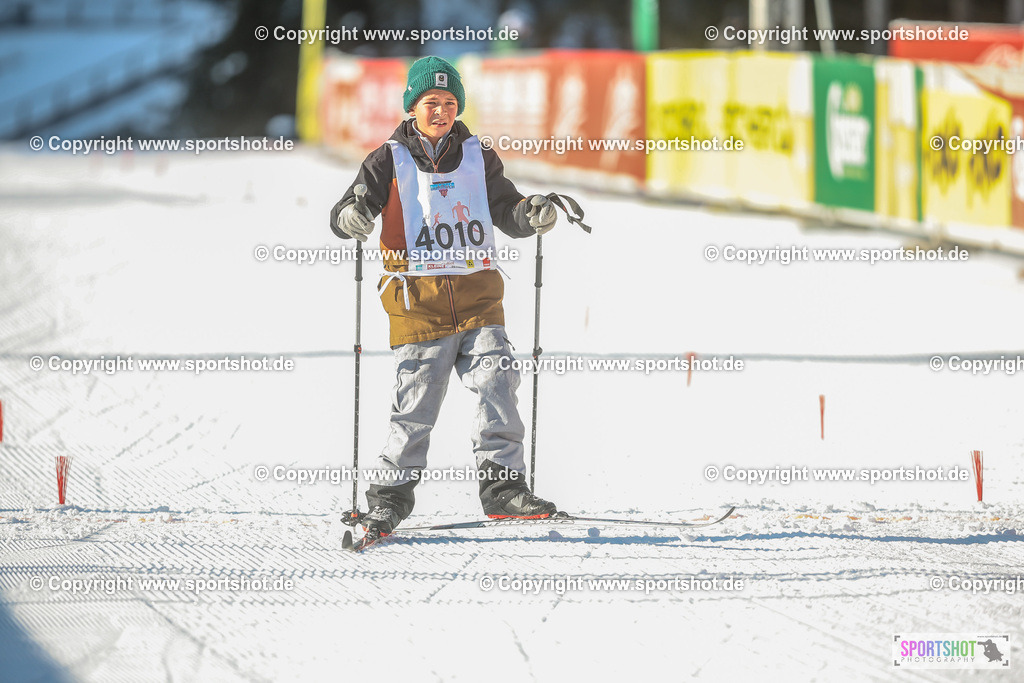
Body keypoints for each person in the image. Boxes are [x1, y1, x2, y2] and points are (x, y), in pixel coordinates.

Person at [330, 56, 561, 538]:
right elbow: (350, 206)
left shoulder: (479, 155)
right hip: (420, 304)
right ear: (412, 106)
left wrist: (530, 214)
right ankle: (389, 498)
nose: (441, 111)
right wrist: (350, 216)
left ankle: (504, 488)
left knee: (499, 386)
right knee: (415, 409)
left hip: (479, 298)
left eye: (450, 103)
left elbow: (505, 208)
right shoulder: (387, 158)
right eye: (431, 102)